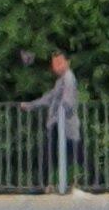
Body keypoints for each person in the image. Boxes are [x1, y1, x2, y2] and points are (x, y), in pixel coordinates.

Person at [35, 49, 82, 191]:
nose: (57, 67)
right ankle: (52, 184)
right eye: (55, 64)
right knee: (57, 153)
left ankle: (52, 184)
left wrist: (60, 112)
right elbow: (49, 98)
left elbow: (67, 101)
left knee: (64, 154)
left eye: (60, 63)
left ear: (68, 63)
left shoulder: (68, 78)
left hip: (65, 124)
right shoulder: (60, 80)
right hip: (58, 123)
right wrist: (32, 105)